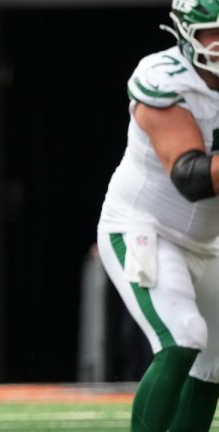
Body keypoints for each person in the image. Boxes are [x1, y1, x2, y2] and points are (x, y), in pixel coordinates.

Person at [97, 1, 219, 430]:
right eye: (214, 32)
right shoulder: (164, 77)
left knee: (216, 363)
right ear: (187, 33)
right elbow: (192, 177)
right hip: (145, 228)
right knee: (183, 336)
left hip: (210, 239)